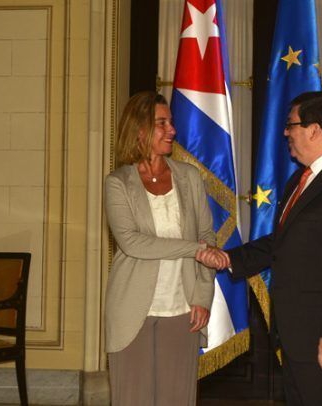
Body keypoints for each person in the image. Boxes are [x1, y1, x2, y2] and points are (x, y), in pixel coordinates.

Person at [198, 91, 322, 406]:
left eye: (291, 125)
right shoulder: (301, 178)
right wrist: (231, 258)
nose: (286, 132)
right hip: (299, 337)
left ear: (314, 129)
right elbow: (283, 243)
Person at [104, 91, 218, 406]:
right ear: (139, 130)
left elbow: (208, 235)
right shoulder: (117, 183)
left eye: (171, 122)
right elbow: (132, 242)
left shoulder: (190, 177)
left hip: (183, 310)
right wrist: (194, 250)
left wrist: (202, 296)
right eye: (162, 123)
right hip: (131, 311)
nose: (172, 130)